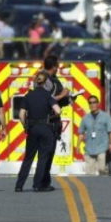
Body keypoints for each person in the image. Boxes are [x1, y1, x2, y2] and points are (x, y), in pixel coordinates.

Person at [15, 70, 61, 192]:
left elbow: (21, 115)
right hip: (45, 128)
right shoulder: (48, 96)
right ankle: (37, 184)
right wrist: (50, 118)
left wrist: (26, 126)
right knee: (43, 158)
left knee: (28, 158)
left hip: (33, 129)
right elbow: (58, 110)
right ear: (46, 83)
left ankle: (19, 185)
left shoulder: (28, 96)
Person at [36, 55, 71, 183]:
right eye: (58, 65)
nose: (59, 68)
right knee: (46, 153)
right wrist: (63, 94)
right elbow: (45, 99)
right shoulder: (46, 79)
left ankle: (44, 181)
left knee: (48, 153)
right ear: (54, 67)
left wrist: (68, 98)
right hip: (48, 122)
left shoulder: (52, 79)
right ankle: (41, 182)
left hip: (50, 122)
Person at [77, 96, 111, 176]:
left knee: (102, 169)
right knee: (89, 174)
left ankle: (104, 183)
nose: (92, 104)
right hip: (89, 149)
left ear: (98, 104)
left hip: (102, 148)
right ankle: (91, 187)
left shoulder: (105, 117)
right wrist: (78, 145)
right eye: (90, 103)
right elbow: (81, 133)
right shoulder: (85, 118)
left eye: (94, 102)